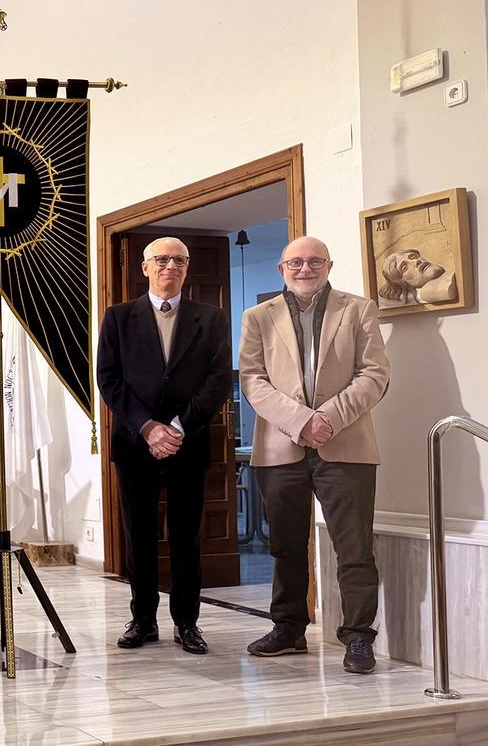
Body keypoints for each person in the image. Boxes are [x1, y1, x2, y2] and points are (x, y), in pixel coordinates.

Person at [240, 236, 390, 674]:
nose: (305, 269)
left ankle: (359, 637)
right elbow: (253, 380)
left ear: (329, 264)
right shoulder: (257, 317)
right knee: (286, 546)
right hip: (280, 447)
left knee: (355, 547)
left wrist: (327, 417)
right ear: (282, 269)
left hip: (346, 444)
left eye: (314, 261)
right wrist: (300, 420)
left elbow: (375, 374)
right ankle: (288, 630)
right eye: (296, 263)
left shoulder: (358, 309)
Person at [96, 237, 231, 655]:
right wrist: (148, 428)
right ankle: (143, 619)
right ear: (145, 267)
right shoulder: (118, 317)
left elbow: (218, 379)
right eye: (161, 259)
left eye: (178, 260)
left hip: (187, 443)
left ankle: (188, 623)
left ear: (187, 269)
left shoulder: (211, 318)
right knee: (138, 534)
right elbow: (109, 379)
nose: (170, 266)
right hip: (135, 443)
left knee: (186, 536)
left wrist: (176, 427)